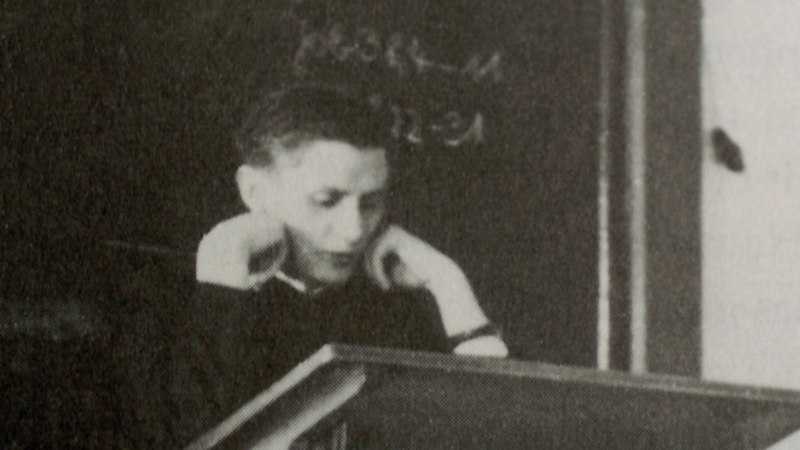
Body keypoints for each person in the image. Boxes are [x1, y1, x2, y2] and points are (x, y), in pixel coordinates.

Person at [167, 86, 507, 447]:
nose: (354, 231)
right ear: (253, 191)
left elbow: (513, 430)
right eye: (327, 201)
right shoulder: (165, 305)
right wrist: (222, 291)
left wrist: (448, 281)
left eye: (372, 203)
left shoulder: (401, 309)